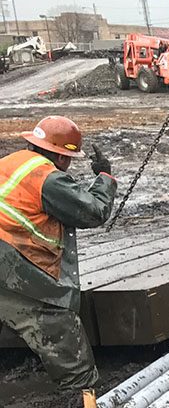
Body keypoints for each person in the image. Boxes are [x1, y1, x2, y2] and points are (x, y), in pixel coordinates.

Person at [0, 116, 117, 388]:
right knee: (54, 319)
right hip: (10, 257)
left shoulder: (11, 162)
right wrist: (105, 178)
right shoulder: (47, 178)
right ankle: (80, 394)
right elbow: (92, 211)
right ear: (63, 157)